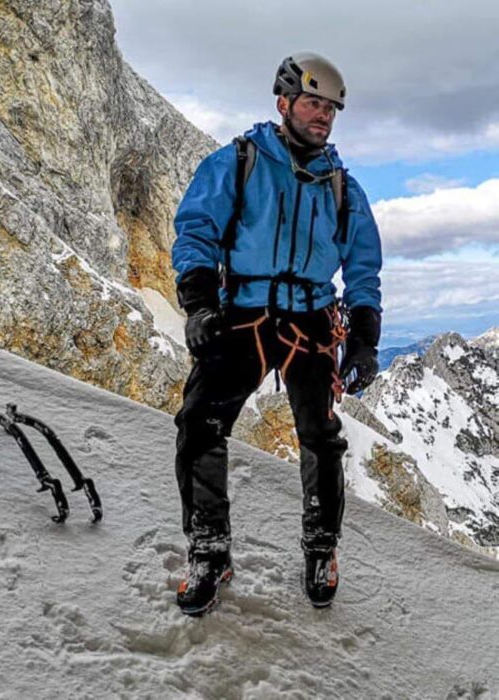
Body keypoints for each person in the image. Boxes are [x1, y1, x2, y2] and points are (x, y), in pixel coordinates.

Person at [171, 52, 382, 616]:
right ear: (284, 103)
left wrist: (364, 338)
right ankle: (210, 550)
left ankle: (321, 548)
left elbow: (363, 268)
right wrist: (197, 304)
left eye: (331, 108)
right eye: (314, 103)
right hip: (241, 314)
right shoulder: (238, 162)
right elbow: (197, 231)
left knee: (321, 437)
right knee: (199, 427)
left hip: (312, 321)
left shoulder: (341, 186)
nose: (324, 116)